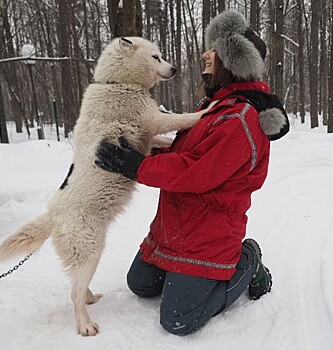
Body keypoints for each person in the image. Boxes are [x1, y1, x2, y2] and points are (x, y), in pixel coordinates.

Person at [95, 10, 289, 335]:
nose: (205, 53)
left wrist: (137, 166)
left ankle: (247, 260)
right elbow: (187, 154)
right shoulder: (214, 106)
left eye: (213, 48)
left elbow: (196, 172)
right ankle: (184, 274)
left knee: (179, 319)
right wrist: (142, 148)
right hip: (176, 225)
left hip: (209, 234)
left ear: (232, 60)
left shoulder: (242, 119)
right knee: (139, 284)